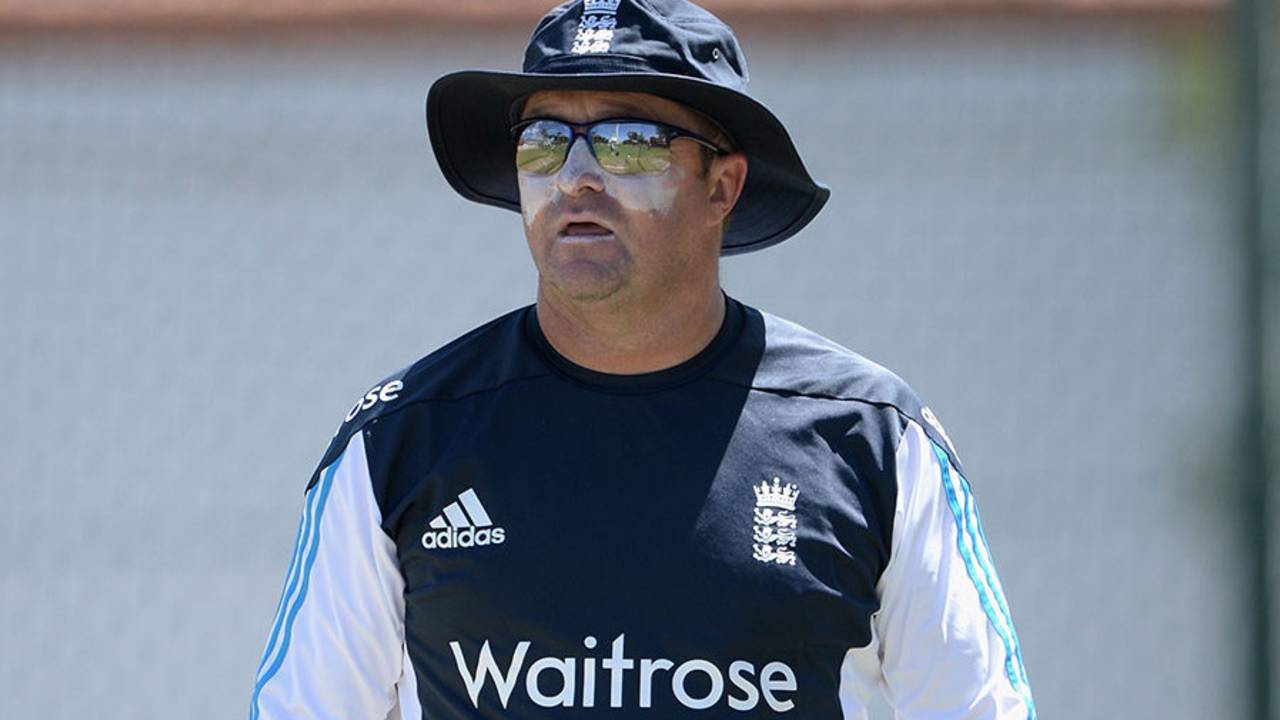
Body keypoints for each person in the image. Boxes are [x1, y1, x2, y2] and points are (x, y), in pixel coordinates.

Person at [248, 1, 1036, 718]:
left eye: (629, 144)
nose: (576, 178)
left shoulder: (870, 439)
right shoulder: (400, 440)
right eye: (544, 143)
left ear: (722, 186)